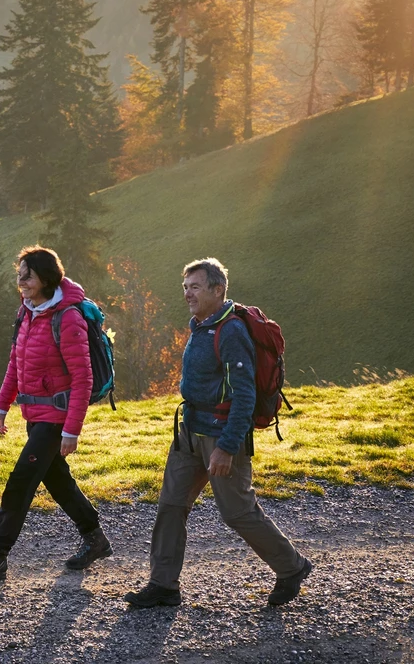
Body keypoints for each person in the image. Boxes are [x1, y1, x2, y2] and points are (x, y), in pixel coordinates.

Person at [125, 258, 312, 608]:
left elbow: (245, 396)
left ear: (217, 289)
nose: (187, 294)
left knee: (237, 511)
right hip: (190, 432)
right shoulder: (201, 325)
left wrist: (226, 447)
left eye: (195, 287)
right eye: (185, 287)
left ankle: (292, 566)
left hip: (221, 434)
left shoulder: (231, 331)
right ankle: (163, 585)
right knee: (170, 505)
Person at [0, 246, 112, 581]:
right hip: (33, 414)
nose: (21, 281)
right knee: (57, 481)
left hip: (55, 418)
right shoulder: (27, 312)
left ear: (46, 277)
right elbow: (17, 363)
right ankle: (95, 538)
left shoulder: (67, 316)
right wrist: (2, 404)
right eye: (19, 274)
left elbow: (83, 377)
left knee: (20, 482)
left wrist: (72, 430)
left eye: (27, 275)